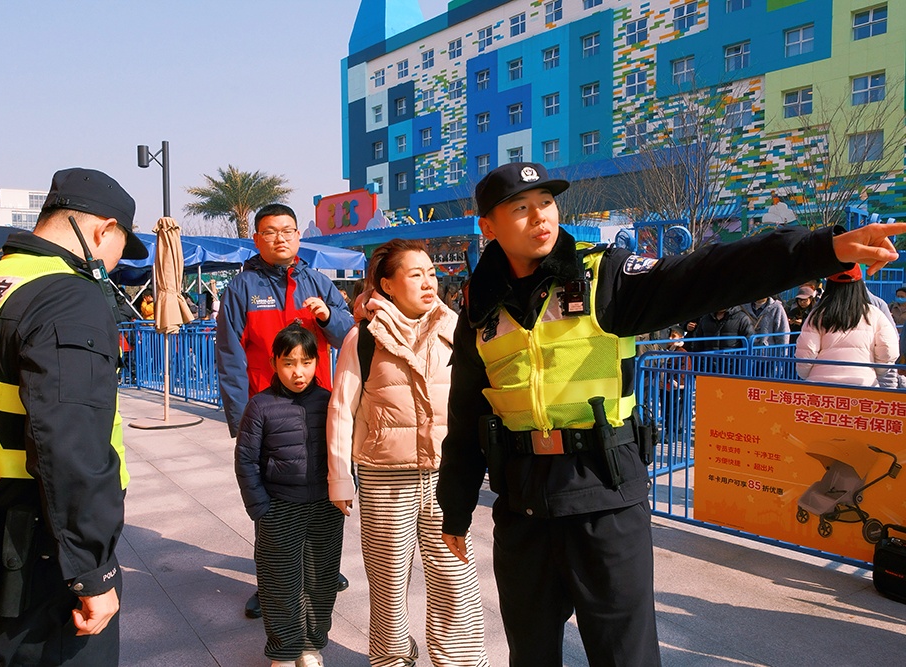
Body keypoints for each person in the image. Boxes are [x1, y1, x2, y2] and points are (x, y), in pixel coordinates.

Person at [435, 161, 906, 666]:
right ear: (488, 226)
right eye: (521, 209)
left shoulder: (605, 276)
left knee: (626, 657)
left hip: (605, 495)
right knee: (530, 653)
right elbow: (466, 416)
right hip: (523, 504)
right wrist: (456, 507)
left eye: (546, 203)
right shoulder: (480, 310)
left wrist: (818, 250)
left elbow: (706, 272)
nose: (540, 217)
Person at [0, 167, 148, 666]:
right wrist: (94, 572)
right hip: (43, 552)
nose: (112, 265)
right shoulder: (70, 294)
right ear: (102, 230)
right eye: (118, 247)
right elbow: (72, 445)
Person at [327, 239, 489, 667]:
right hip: (385, 476)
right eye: (415, 274)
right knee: (387, 582)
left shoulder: (457, 331)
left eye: (432, 273)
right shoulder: (363, 337)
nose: (428, 281)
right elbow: (342, 408)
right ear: (387, 284)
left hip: (444, 475)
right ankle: (391, 658)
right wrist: (340, 477)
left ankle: (460, 660)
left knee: (456, 578)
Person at [217, 203, 354, 619]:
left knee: (320, 490)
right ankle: (272, 581)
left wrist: (328, 315)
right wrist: (242, 418)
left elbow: (348, 333)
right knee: (273, 499)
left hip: (317, 407)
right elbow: (229, 355)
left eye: (288, 230)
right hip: (266, 409)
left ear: (298, 237)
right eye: (271, 231)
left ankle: (322, 572)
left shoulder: (316, 280)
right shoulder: (242, 288)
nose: (281, 238)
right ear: (256, 239)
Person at [236, 324, 344, 667]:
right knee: (279, 582)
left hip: (325, 509)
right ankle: (284, 652)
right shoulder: (261, 405)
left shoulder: (330, 403)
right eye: (289, 363)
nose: (299, 372)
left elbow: (344, 450)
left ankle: (311, 646)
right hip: (279, 507)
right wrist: (260, 508)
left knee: (321, 580)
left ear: (317, 363)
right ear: (274, 364)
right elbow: (245, 460)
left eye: (307, 362)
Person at [795, 264, 899, 386]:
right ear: (859, 285)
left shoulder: (817, 315)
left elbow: (806, 352)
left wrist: (807, 374)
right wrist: (876, 371)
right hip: (863, 385)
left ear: (830, 286)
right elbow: (888, 349)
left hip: (820, 387)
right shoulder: (874, 313)